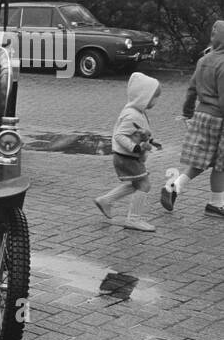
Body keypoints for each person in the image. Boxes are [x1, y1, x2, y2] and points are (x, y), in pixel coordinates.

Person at [161, 19, 224, 217]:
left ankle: (174, 187)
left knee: (204, 161)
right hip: (219, 119)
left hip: (202, 115)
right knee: (221, 164)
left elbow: (191, 89)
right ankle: (216, 204)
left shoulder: (204, 60)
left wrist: (187, 113)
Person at [95, 71, 162, 232]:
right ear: (143, 97)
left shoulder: (137, 112)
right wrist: (135, 148)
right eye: (154, 97)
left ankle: (105, 200)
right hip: (126, 158)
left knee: (136, 184)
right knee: (144, 184)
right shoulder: (132, 115)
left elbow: (138, 134)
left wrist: (151, 141)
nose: (156, 101)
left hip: (129, 158)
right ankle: (134, 219)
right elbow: (119, 135)